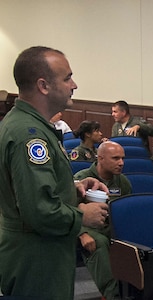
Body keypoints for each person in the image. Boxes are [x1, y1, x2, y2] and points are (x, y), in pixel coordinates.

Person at [0, 46, 109, 299]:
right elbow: (38, 209)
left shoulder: (31, 125)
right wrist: (81, 215)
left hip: (42, 252)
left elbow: (28, 186)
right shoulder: (30, 135)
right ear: (43, 86)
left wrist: (73, 186)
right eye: (67, 77)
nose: (75, 85)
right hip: (36, 257)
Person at [74, 141, 132, 300]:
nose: (121, 163)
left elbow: (127, 211)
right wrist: (82, 233)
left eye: (122, 158)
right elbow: (69, 212)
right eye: (115, 158)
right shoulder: (81, 179)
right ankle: (110, 295)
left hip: (112, 227)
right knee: (99, 242)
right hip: (86, 228)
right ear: (100, 159)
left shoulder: (122, 182)